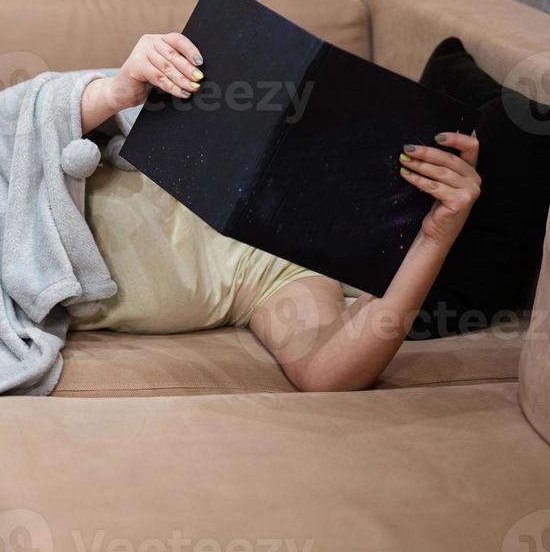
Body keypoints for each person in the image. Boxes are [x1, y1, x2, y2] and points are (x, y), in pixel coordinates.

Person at [74, 31, 481, 392]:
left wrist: (432, 239)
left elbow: (323, 372)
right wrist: (113, 93)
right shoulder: (227, 117)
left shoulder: (286, 272)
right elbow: (24, 123)